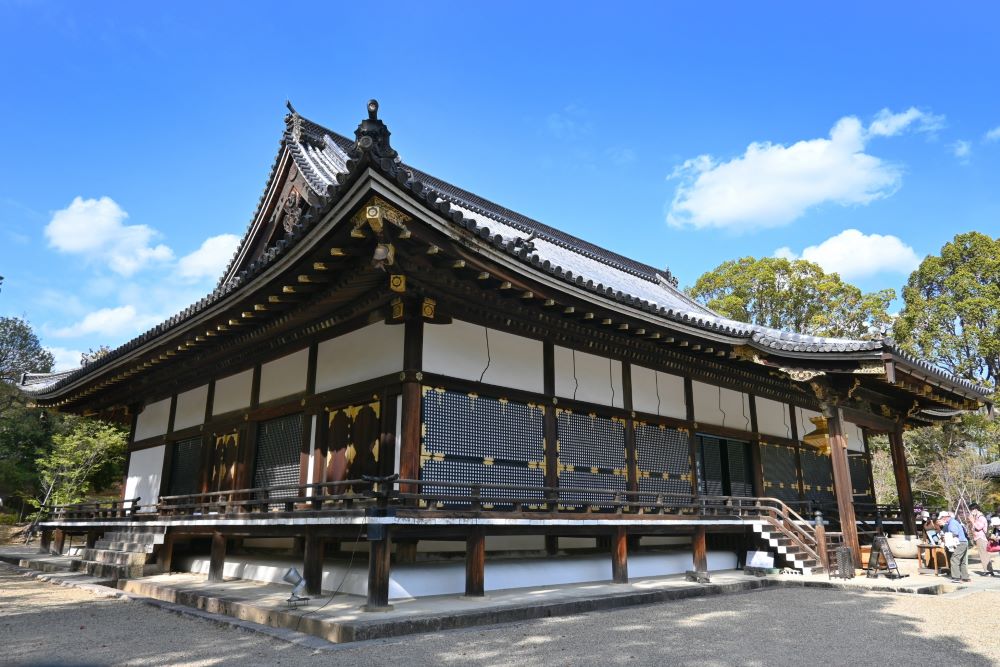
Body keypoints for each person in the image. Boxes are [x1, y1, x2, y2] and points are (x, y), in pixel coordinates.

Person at [937, 509, 970, 582]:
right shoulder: (953, 522)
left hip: (959, 542)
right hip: (963, 542)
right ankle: (965, 577)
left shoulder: (952, 523)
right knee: (962, 561)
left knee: (954, 559)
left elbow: (954, 532)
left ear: (944, 517)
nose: (941, 520)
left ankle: (956, 577)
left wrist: (945, 535)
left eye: (941, 519)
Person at [969, 503, 990, 575]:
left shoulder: (981, 517)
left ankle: (987, 571)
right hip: (979, 538)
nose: (971, 512)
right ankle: (988, 570)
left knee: (983, 554)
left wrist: (972, 521)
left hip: (981, 538)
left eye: (971, 510)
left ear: (975, 509)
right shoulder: (977, 518)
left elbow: (978, 527)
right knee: (983, 554)